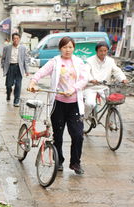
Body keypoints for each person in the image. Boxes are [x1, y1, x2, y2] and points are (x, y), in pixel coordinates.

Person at [28, 36, 88, 175]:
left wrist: (73, 89)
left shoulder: (79, 62)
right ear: (60, 48)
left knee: (78, 135)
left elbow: (84, 79)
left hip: (75, 105)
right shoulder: (55, 62)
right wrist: (33, 82)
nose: (68, 50)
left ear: (74, 48)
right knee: (58, 134)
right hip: (58, 104)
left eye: (70, 47)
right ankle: (59, 160)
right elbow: (41, 72)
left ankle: (75, 163)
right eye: (65, 47)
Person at [84, 42, 128, 118]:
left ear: (107, 51)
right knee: (90, 104)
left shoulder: (110, 61)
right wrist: (91, 79)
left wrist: (123, 79)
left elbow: (117, 71)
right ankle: (85, 116)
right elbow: (86, 72)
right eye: (100, 51)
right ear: (97, 51)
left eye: (105, 50)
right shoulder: (90, 60)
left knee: (114, 103)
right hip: (91, 87)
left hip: (104, 87)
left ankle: (111, 122)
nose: (103, 53)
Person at [1, 32, 30, 106]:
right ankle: (8, 94)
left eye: (17, 38)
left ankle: (16, 100)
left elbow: (26, 59)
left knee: (18, 85)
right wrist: (3, 66)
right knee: (8, 85)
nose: (15, 40)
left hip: (19, 68)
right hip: (10, 67)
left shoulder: (23, 48)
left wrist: (27, 70)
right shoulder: (7, 48)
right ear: (12, 39)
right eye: (14, 39)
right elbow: (3, 58)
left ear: (19, 39)